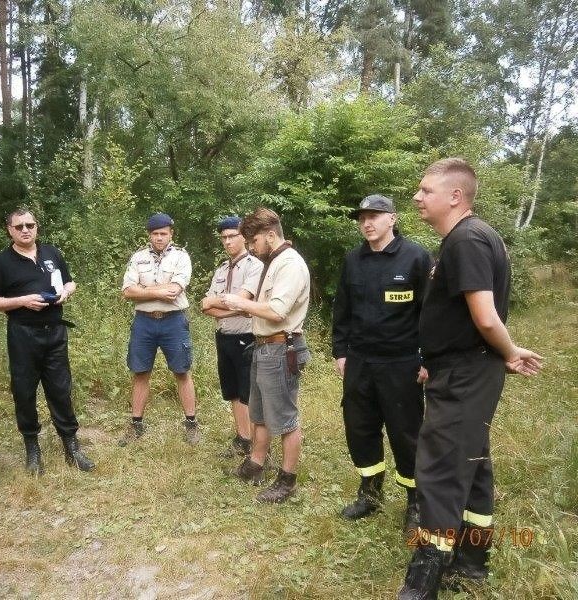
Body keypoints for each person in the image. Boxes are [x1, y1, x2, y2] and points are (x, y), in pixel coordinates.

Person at [398, 158, 543, 599]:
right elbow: (460, 316)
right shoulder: (469, 238)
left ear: (455, 196)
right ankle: (472, 562)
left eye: (426, 191)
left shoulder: (466, 239)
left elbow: (484, 316)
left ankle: (422, 583)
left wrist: (509, 351)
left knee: (439, 471)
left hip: (467, 372)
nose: (417, 198)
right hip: (459, 367)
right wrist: (434, 357)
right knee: (473, 463)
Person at [332, 195, 431, 531]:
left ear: (392, 218)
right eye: (362, 218)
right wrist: (340, 352)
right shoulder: (353, 260)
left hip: (401, 363)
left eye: (374, 216)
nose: (367, 223)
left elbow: (430, 314)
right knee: (359, 428)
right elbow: (341, 310)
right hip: (359, 361)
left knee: (406, 433)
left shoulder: (415, 257)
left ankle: (415, 503)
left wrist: (427, 358)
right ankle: (370, 493)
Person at [0, 208, 95, 474]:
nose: (25, 230)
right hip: (23, 334)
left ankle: (72, 446)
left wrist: (67, 291)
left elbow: (70, 282)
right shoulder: (2, 262)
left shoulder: (51, 254)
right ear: (9, 230)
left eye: (30, 225)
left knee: (60, 389)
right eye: (19, 226)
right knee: (24, 391)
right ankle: (32, 449)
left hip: (55, 331)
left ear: (37, 227)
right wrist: (22, 301)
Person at [222, 207, 311, 503]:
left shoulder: (290, 264)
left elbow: (276, 311)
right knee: (258, 414)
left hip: (281, 347)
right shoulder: (272, 262)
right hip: (263, 346)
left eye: (254, 241)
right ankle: (256, 465)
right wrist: (227, 306)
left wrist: (238, 302)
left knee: (285, 418)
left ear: (271, 235)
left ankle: (287, 481)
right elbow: (262, 307)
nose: (250, 248)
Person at [119, 212, 200, 446]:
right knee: (140, 371)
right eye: (155, 234)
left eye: (163, 234)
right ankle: (136, 425)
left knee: (182, 371)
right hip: (143, 322)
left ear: (171, 234)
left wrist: (143, 290)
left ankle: (192, 423)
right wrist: (157, 291)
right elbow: (127, 291)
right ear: (149, 235)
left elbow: (174, 291)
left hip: (174, 321)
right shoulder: (138, 257)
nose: (159, 238)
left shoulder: (181, 257)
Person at [201, 216, 263, 457]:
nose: (227, 242)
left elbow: (244, 301)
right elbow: (204, 306)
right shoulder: (221, 270)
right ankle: (242, 438)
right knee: (233, 391)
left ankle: (258, 447)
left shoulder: (254, 266)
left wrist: (224, 305)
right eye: (223, 237)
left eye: (231, 236)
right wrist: (231, 307)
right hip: (224, 335)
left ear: (244, 238)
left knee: (249, 393)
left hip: (247, 336)